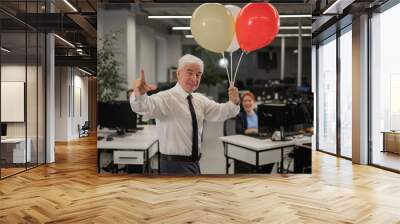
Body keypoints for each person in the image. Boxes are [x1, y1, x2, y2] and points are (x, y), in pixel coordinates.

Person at [130, 54, 240, 175]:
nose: (194, 78)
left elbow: (221, 112)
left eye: (198, 74)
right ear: (178, 74)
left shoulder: (199, 100)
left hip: (195, 164)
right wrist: (139, 94)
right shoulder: (166, 98)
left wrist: (234, 101)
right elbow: (144, 106)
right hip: (173, 166)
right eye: (190, 72)